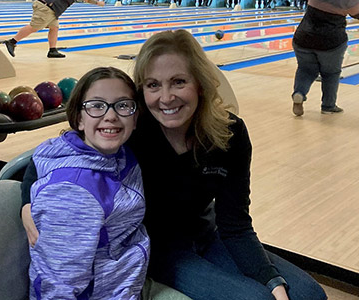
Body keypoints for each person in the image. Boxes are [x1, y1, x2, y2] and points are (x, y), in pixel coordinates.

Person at [21, 30, 327, 300]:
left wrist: (269, 278)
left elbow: (235, 224)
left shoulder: (230, 134)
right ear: (142, 92)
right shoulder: (131, 131)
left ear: (200, 84)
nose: (166, 98)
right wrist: (27, 203)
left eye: (178, 82)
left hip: (209, 235)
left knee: (310, 294)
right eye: (153, 85)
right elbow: (52, 156)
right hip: (160, 250)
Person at [28, 67, 147, 299]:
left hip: (125, 279)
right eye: (96, 105)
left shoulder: (116, 154)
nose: (111, 115)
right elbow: (59, 289)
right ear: (79, 119)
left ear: (135, 117)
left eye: (122, 105)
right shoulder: (74, 194)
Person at [291, 0, 359, 116]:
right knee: (330, 73)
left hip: (303, 36)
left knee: (305, 69)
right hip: (331, 40)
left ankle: (299, 93)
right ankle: (328, 106)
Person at [3, 0, 104, 58]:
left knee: (54, 27)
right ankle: (11, 42)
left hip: (51, 8)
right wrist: (97, 2)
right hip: (47, 7)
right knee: (34, 27)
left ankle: (52, 50)